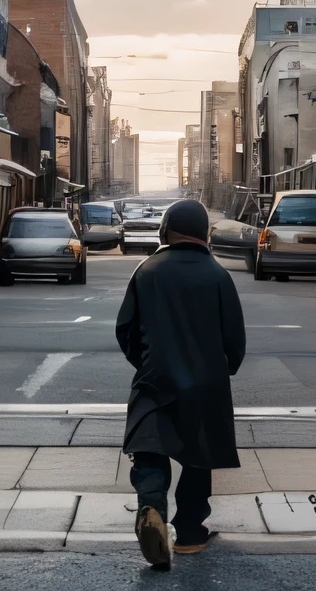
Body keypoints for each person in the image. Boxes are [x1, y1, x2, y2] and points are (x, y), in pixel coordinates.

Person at [114, 199, 246, 569]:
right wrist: (224, 369)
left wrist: (146, 364)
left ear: (166, 229)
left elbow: (125, 329)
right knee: (198, 456)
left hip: (156, 379)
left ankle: (152, 509)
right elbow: (234, 340)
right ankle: (188, 533)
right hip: (205, 383)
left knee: (150, 450)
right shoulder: (219, 275)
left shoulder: (148, 270)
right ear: (204, 232)